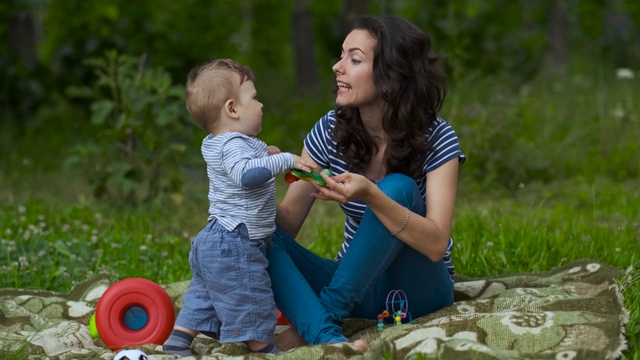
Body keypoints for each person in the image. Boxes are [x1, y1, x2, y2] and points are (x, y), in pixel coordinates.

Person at [268, 15, 465, 351]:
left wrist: (372, 195)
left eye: (354, 59)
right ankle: (325, 328)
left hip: (417, 291)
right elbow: (286, 225)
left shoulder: (438, 136)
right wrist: (251, 190)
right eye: (341, 55)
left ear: (390, 78)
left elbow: (435, 244)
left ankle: (319, 323)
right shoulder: (330, 130)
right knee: (255, 234)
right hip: (355, 289)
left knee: (398, 188)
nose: (336, 67)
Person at [162, 58, 312, 356]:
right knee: (251, 295)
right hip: (237, 242)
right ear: (232, 109)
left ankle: (178, 340)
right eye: (254, 98)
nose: (261, 105)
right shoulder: (232, 145)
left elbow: (244, 161)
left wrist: (265, 153)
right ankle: (261, 346)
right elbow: (245, 175)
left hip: (215, 240)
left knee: (206, 296)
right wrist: (285, 160)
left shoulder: (218, 141)